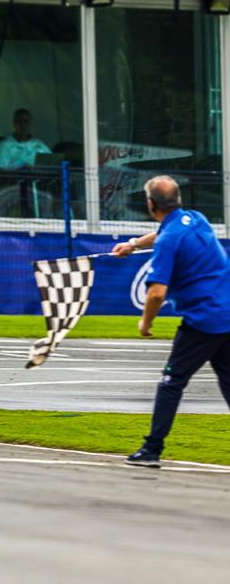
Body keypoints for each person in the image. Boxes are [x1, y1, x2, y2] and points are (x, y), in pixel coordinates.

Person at [111, 175, 230, 467]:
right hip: (227, 312)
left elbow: (156, 293)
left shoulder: (168, 242)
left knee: (171, 382)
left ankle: (151, 449)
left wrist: (145, 324)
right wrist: (133, 244)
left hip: (204, 321)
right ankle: (151, 448)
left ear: (151, 204)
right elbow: (165, 232)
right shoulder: (195, 219)